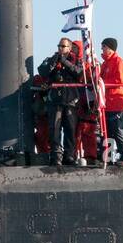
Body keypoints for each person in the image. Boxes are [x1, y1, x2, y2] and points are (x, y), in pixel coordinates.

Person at [37, 37, 85, 165]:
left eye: (63, 46)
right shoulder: (52, 58)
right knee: (55, 129)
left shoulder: (76, 60)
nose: (60, 48)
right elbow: (42, 71)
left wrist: (64, 61)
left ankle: (69, 156)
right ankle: (56, 156)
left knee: (70, 129)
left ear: (69, 48)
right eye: (59, 46)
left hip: (70, 100)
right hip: (55, 100)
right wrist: (53, 63)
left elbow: (78, 72)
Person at [98, 38, 123, 164]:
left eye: (104, 47)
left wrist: (102, 83)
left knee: (117, 129)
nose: (102, 49)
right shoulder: (105, 63)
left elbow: (120, 80)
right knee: (107, 130)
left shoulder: (119, 62)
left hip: (116, 101)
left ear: (110, 48)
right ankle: (109, 156)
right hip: (107, 102)